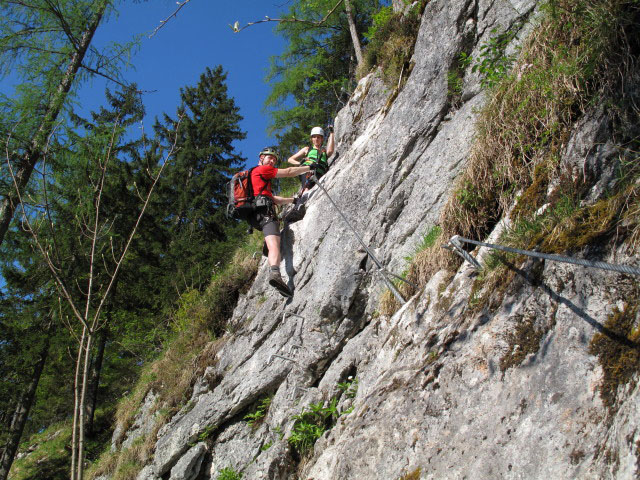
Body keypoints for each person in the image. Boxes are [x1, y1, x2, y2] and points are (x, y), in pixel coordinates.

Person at [251, 146, 314, 297]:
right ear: (261, 158)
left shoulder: (255, 177)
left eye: (274, 159)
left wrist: (292, 200)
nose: (272, 161)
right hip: (266, 214)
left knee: (271, 238)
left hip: (256, 214)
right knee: (275, 245)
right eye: (269, 157)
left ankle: (268, 244)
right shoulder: (262, 170)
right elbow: (288, 172)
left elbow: (273, 199)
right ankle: (275, 274)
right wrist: (308, 167)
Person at [287, 125, 335, 193]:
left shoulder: (324, 151)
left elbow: (330, 151)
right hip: (307, 169)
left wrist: (332, 133)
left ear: (322, 139)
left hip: (320, 172)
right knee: (307, 188)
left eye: (318, 137)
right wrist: (300, 163)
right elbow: (290, 159)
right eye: (314, 137)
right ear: (311, 139)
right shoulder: (307, 149)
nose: (316, 139)